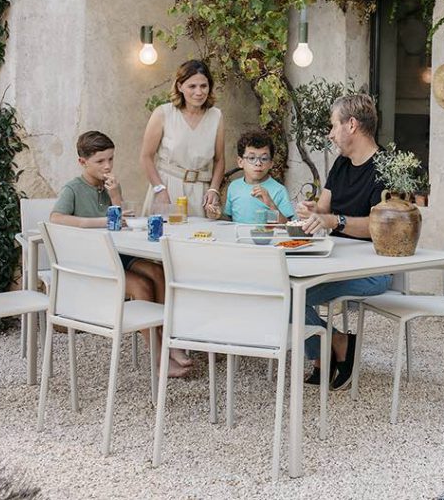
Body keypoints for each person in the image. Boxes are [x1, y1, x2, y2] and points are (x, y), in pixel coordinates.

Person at [50, 131, 192, 377]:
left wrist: (115, 194)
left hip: (120, 254)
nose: (107, 166)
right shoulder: (73, 189)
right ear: (82, 162)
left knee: (159, 272)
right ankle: (158, 358)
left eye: (111, 159)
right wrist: (96, 222)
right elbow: (55, 218)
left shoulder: (110, 186)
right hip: (95, 261)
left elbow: (123, 221)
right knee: (141, 286)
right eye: (100, 161)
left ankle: (168, 340)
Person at [295, 93, 387, 390]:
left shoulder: (385, 168)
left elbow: (378, 228)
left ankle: (327, 354)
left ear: (351, 125)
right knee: (288, 289)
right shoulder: (341, 164)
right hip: (338, 259)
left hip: (372, 270)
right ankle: (336, 344)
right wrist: (313, 210)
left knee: (295, 294)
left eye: (333, 126)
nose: (330, 134)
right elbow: (324, 208)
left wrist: (335, 221)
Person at [140, 60, 225, 219]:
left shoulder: (216, 116)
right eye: (192, 86)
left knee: (198, 240)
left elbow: (220, 160)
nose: (199, 92)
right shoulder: (163, 113)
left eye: (203, 86)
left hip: (200, 192)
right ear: (180, 87)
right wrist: (159, 189)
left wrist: (213, 190)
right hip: (167, 188)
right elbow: (146, 156)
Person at [216, 130, 295, 224]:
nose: (258, 163)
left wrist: (270, 204)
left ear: (271, 163)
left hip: (267, 237)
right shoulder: (234, 187)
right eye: (252, 158)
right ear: (240, 162)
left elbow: (286, 225)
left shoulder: (279, 190)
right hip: (239, 237)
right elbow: (230, 219)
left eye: (264, 159)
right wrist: (216, 214)